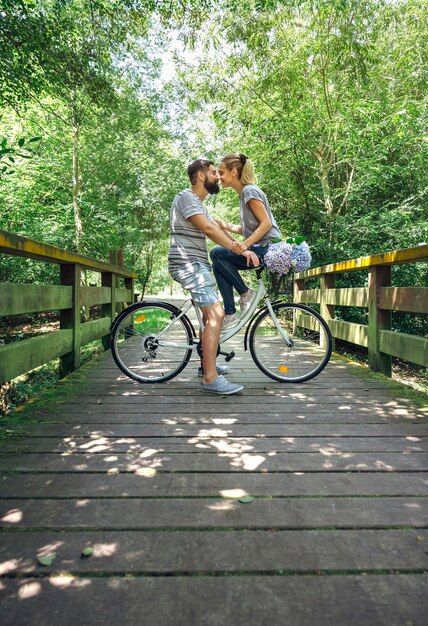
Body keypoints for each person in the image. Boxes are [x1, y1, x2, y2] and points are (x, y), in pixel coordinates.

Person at [168, 158, 260, 395]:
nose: (218, 177)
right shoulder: (186, 197)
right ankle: (210, 379)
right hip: (188, 264)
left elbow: (216, 228)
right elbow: (208, 230)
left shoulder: (198, 203)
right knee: (216, 313)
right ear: (200, 176)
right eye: (212, 172)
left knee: (207, 317)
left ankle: (205, 365)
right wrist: (240, 249)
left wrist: (238, 243)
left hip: (196, 263)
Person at [211, 153, 282, 326]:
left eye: (221, 172)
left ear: (234, 172)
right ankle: (230, 313)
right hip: (261, 245)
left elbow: (266, 224)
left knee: (216, 254)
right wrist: (225, 225)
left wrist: (244, 245)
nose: (218, 177)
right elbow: (250, 229)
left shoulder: (249, 191)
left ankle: (245, 294)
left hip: (268, 247)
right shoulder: (244, 193)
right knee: (218, 263)